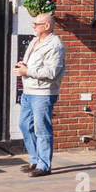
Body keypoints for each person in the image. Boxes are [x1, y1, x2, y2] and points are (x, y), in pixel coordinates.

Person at [14, 12, 66, 177]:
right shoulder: (35, 41)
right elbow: (31, 64)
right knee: (24, 124)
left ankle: (44, 165)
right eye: (34, 23)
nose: (33, 26)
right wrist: (24, 65)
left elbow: (51, 72)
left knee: (42, 129)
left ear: (47, 26)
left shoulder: (55, 45)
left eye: (36, 24)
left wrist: (27, 70)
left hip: (43, 92)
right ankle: (35, 159)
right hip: (29, 91)